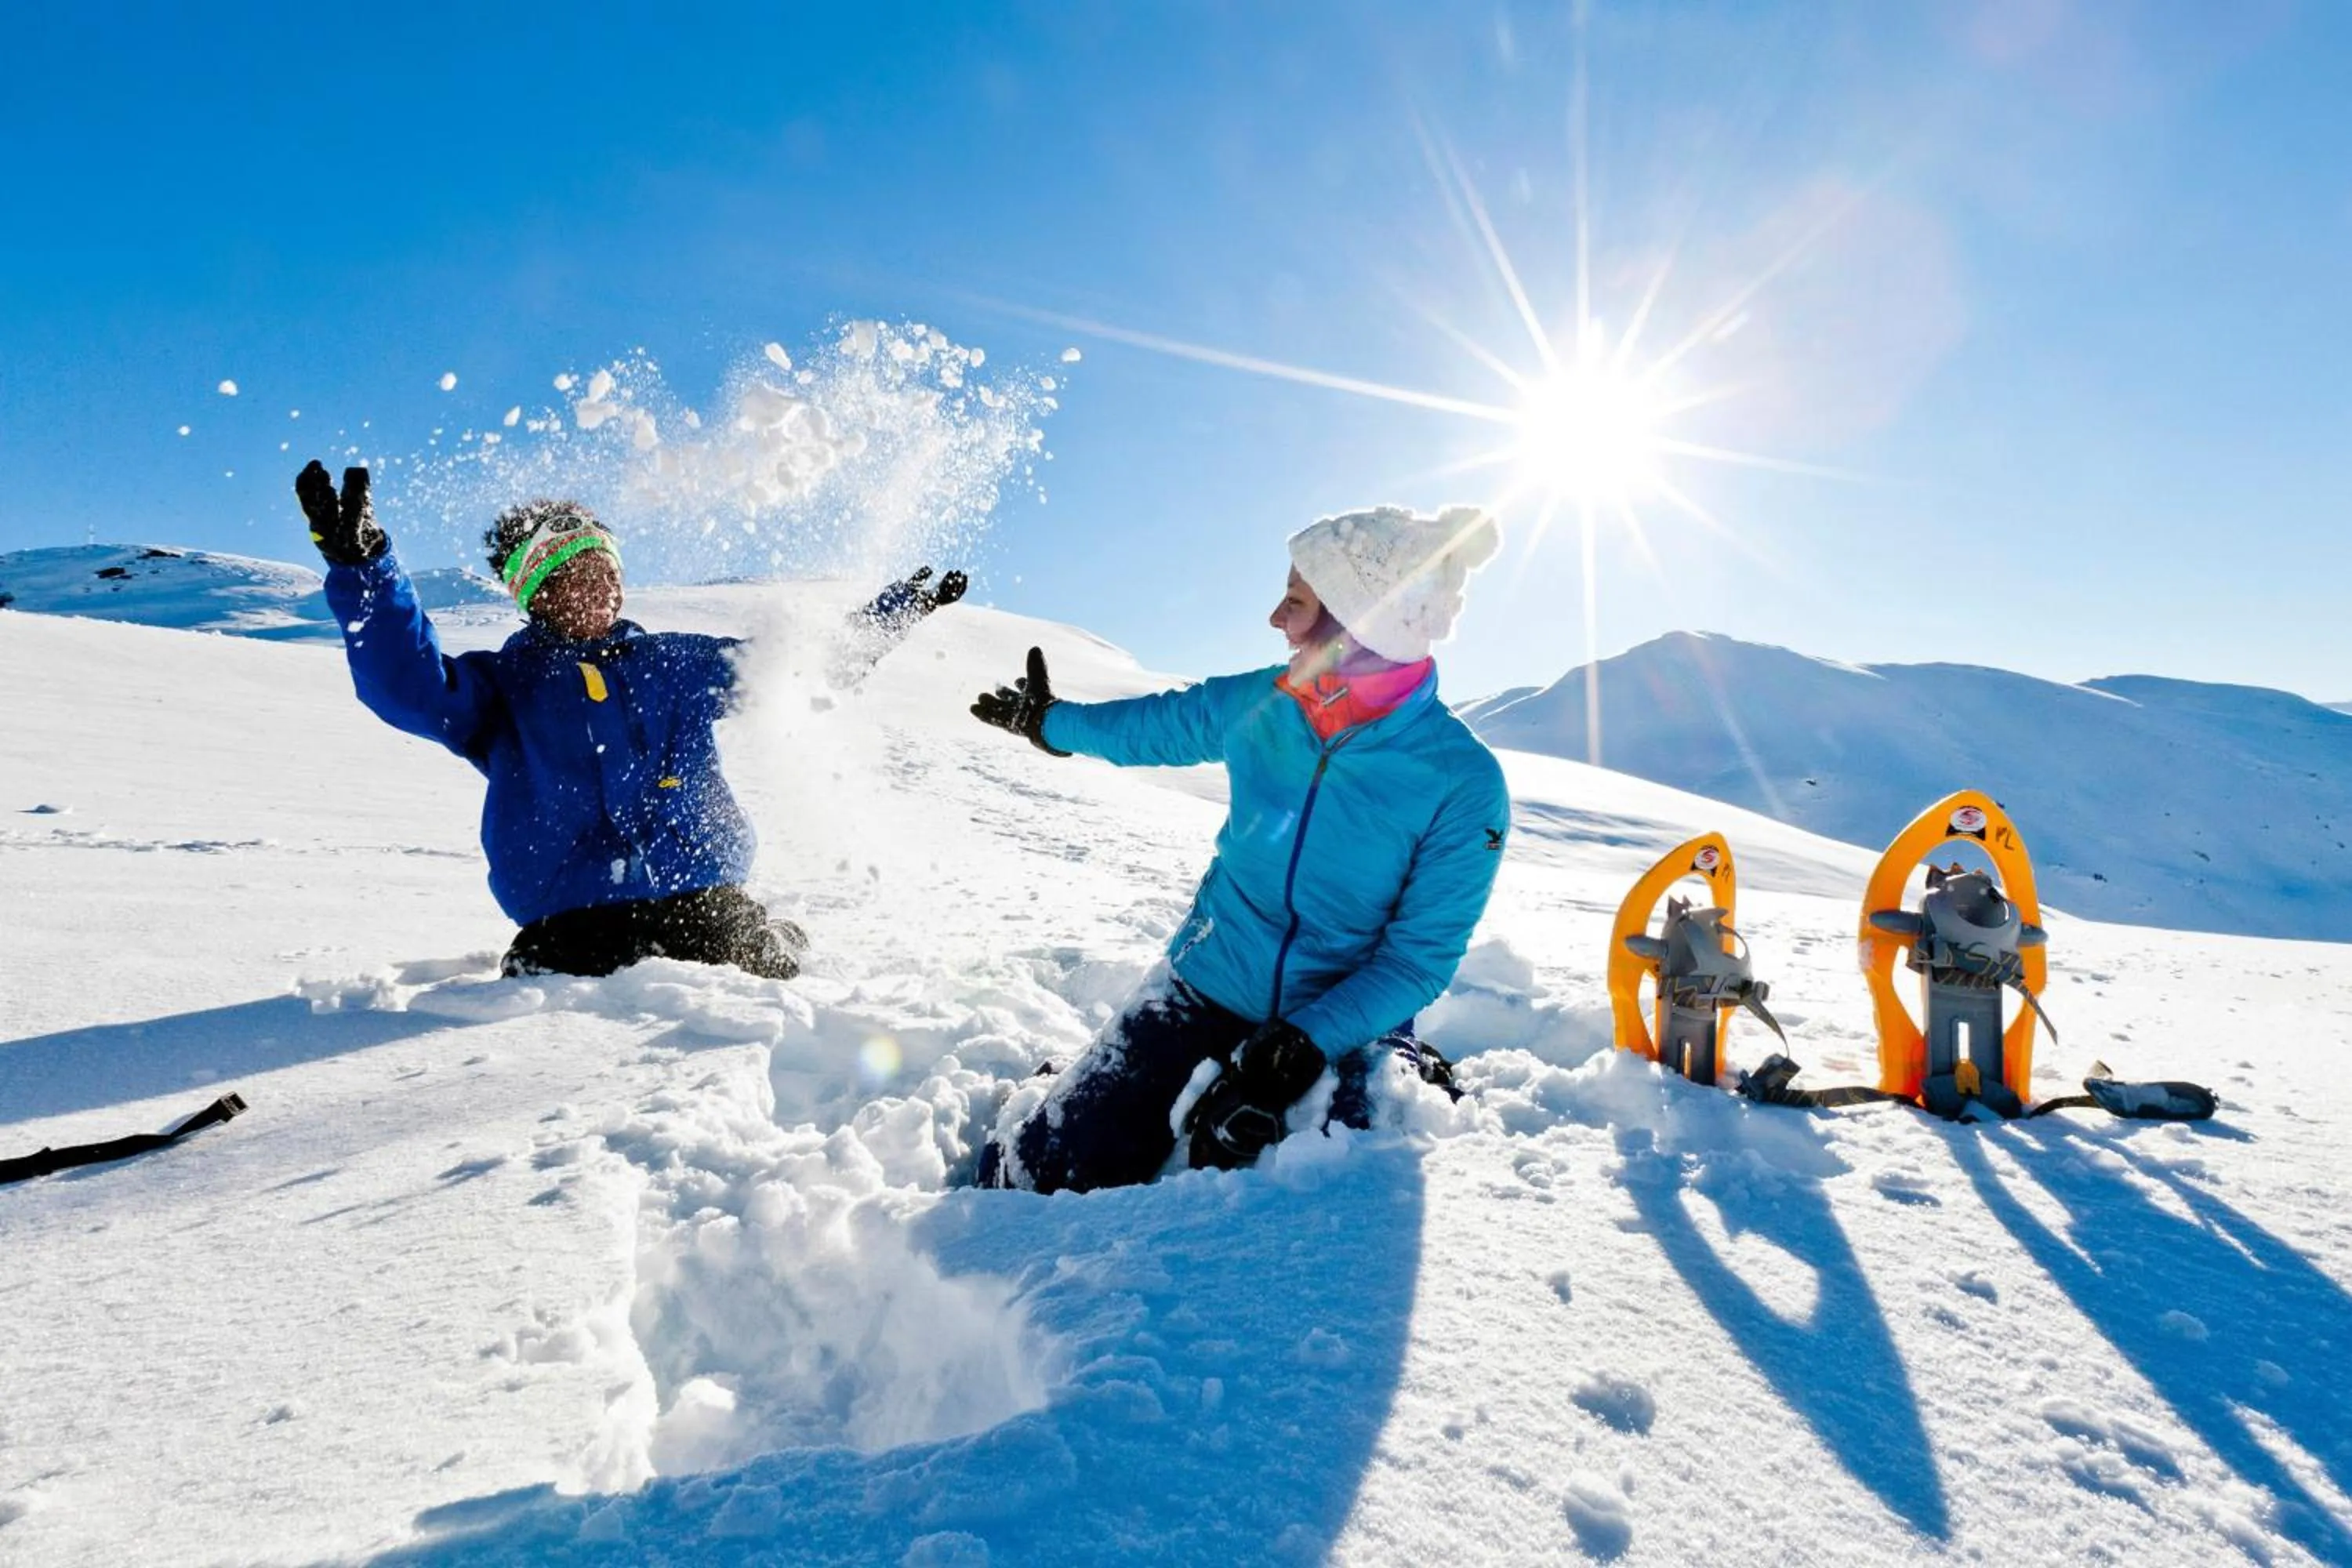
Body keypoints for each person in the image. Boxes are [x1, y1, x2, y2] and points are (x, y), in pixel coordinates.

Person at [970, 504, 1510, 1192]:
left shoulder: (1463, 782)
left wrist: (1307, 1040)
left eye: (1297, 601)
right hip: (1212, 978)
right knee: (1036, 1177)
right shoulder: (1263, 703)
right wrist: (1049, 723)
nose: (1276, 619)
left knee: (1346, 1194)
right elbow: (1150, 727)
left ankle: (1411, 1066)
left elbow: (1417, 959)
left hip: (1351, 1018)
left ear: (1358, 622)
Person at [296, 460, 964, 979]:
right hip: (573, 915)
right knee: (566, 1006)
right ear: (538, 592)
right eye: (579, 572)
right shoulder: (503, 686)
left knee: (765, 973)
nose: (603, 585)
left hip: (701, 892)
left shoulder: (673, 662)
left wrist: (889, 618)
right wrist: (364, 572)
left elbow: (792, 671)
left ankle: (772, 934)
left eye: (608, 569)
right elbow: (406, 688)